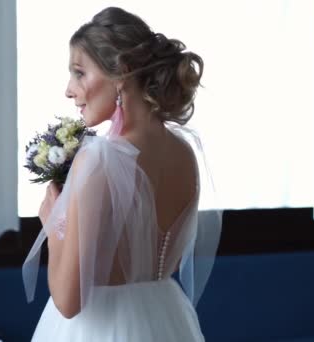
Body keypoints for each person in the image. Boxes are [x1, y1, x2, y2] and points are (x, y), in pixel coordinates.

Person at [22, 6, 222, 341]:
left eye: (79, 73)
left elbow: (68, 302)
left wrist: (53, 225)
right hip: (165, 317)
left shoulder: (99, 159)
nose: (69, 90)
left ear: (121, 73)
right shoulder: (184, 152)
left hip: (98, 328)